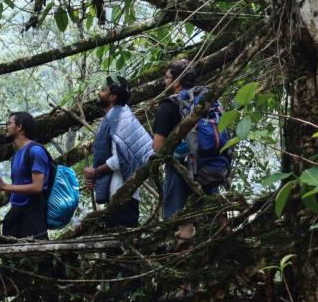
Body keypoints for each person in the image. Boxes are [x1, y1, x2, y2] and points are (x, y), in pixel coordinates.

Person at [152, 60, 221, 243]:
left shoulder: (169, 105)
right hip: (209, 167)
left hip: (179, 171)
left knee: (179, 221)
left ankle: (184, 258)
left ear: (176, 81)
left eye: (167, 77)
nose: (164, 81)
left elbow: (158, 147)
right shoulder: (205, 99)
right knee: (212, 217)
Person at [84, 75, 153, 228]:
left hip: (122, 194)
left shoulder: (118, 117)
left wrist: (95, 172)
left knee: (119, 248)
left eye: (103, 90)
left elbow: (120, 158)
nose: (98, 93)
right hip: (122, 194)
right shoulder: (120, 115)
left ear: (113, 96)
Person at [0, 111, 52, 240]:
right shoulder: (16, 155)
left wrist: (5, 186)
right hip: (17, 211)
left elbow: (37, 187)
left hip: (33, 214)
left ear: (19, 127)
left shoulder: (35, 151)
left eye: (8, 123)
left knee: (34, 257)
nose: (5, 127)